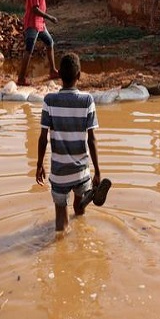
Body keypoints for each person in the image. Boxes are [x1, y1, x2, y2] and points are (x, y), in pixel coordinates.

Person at [35, 53, 111, 232]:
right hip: (80, 171)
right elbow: (92, 140)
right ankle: (85, 202)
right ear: (79, 75)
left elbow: (42, 138)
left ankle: (60, 249)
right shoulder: (87, 101)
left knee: (61, 221)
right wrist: (98, 172)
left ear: (59, 75)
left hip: (59, 172)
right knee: (78, 210)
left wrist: (39, 165)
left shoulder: (49, 101)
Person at [17, 0, 58, 86]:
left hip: (40, 24)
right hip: (33, 24)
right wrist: (49, 17)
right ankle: (21, 78)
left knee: (50, 43)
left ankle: (53, 71)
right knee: (29, 49)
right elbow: (35, 9)